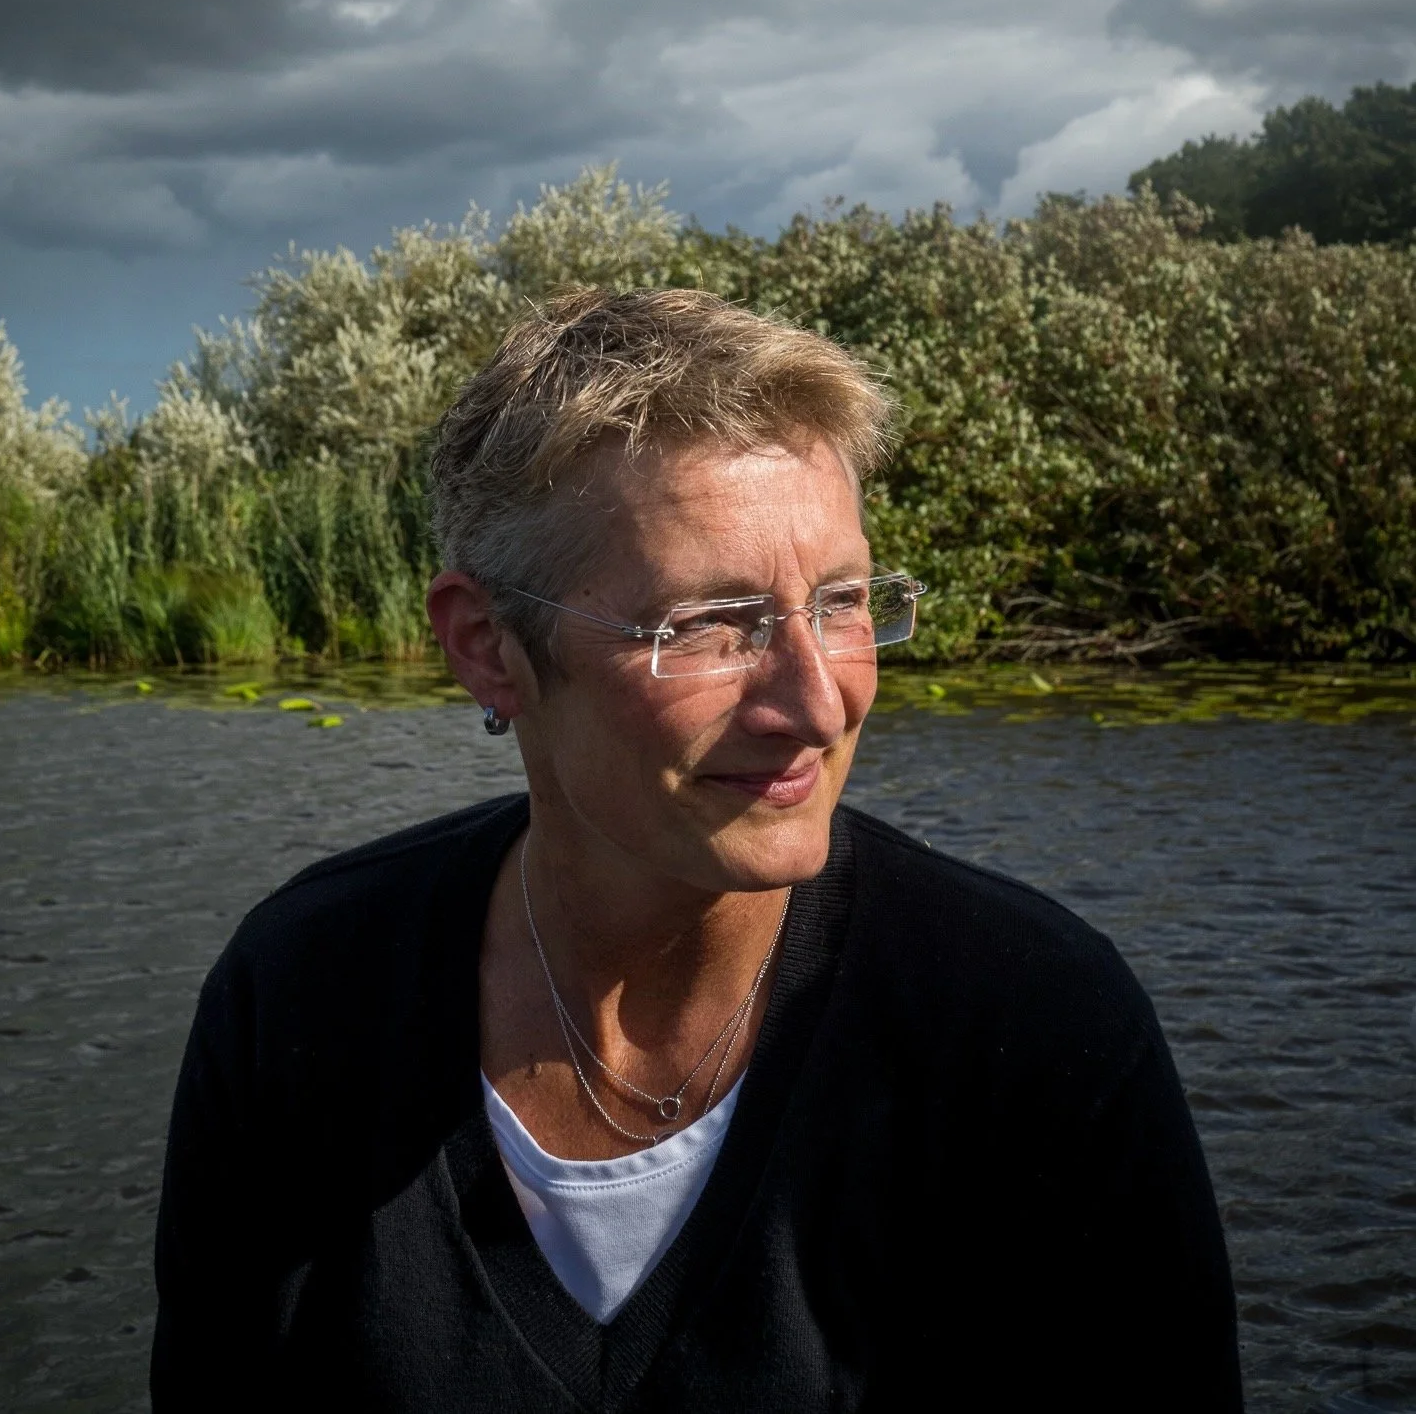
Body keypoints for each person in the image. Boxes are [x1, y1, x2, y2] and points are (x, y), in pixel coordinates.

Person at [152, 288, 1242, 1411]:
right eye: (709, 625)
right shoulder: (303, 996)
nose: (816, 705)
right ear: (487, 648)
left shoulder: (1032, 1028)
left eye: (844, 602)